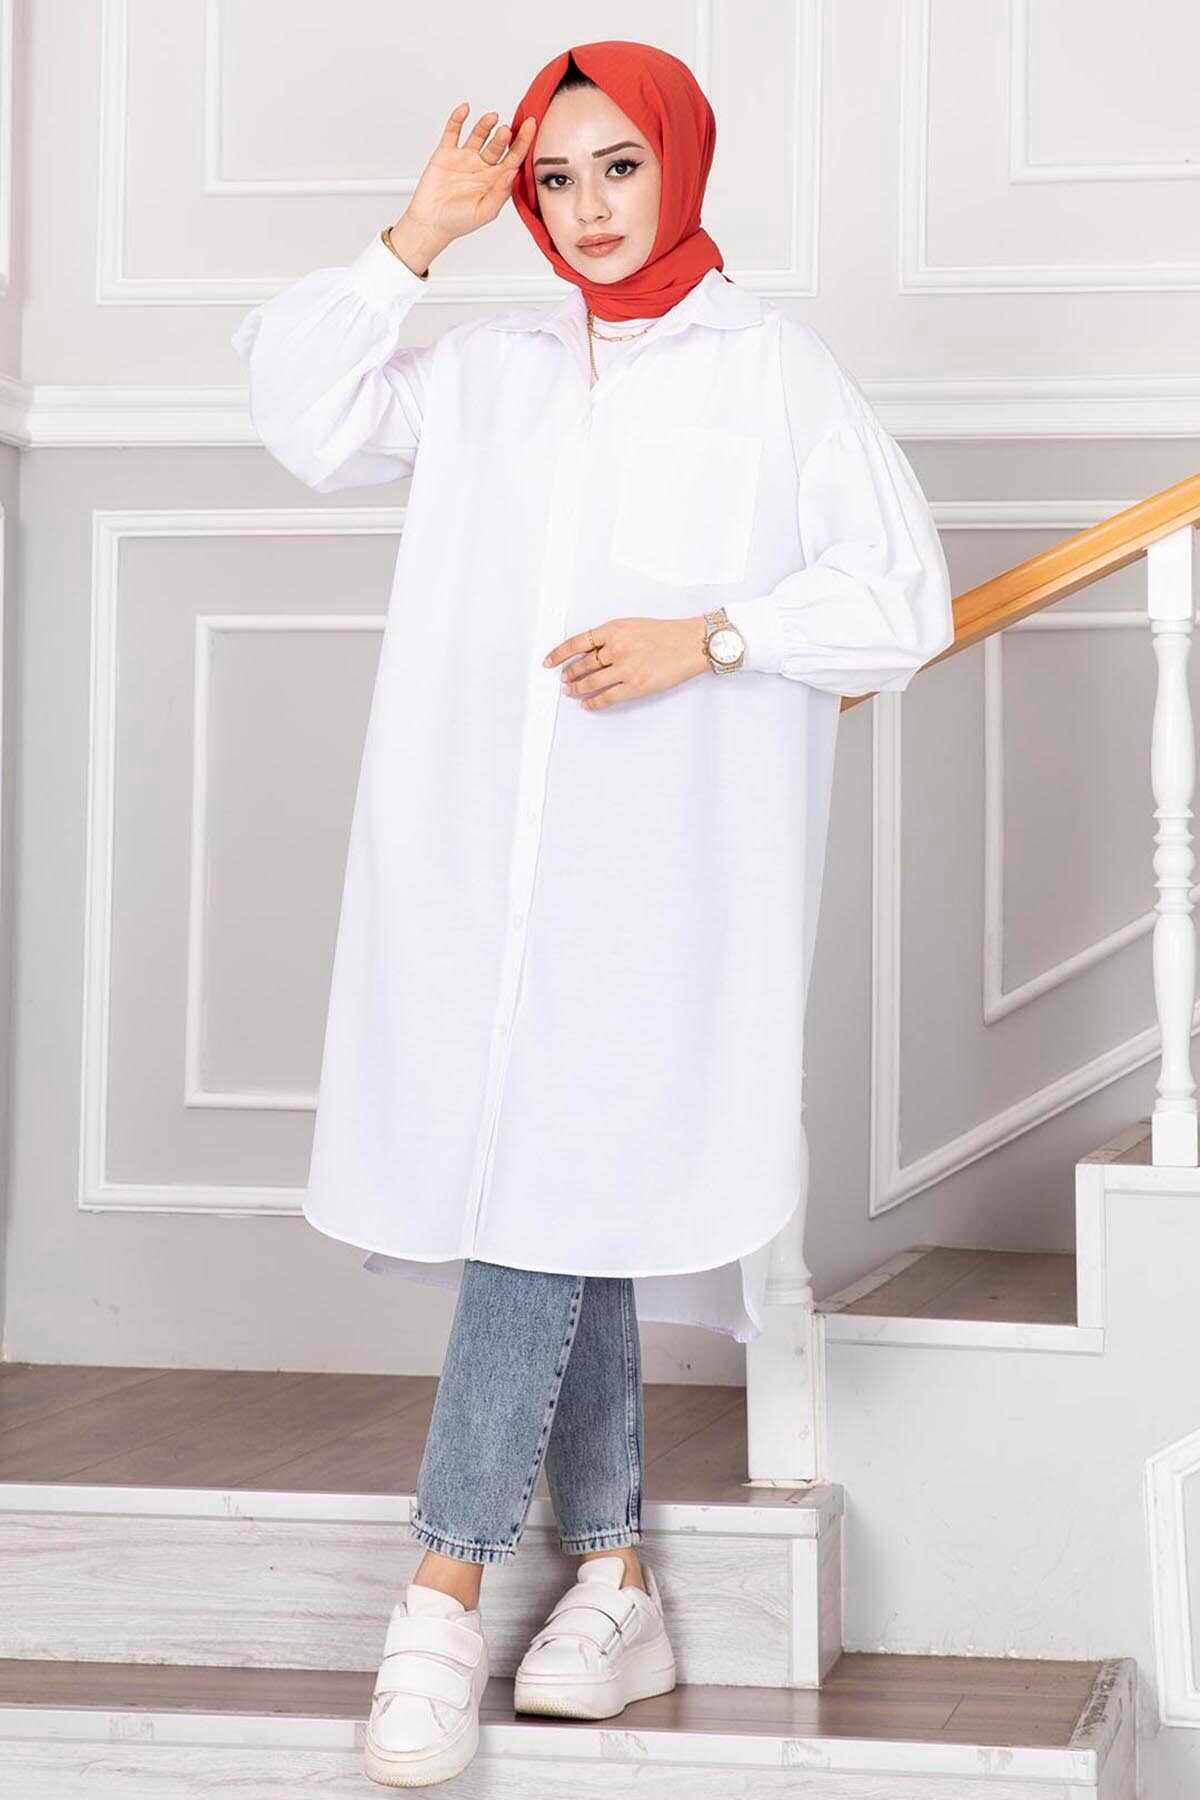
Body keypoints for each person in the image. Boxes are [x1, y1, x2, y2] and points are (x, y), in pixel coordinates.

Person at [231, 39, 954, 1790]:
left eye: (619, 166)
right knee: (559, 1192)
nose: (588, 207)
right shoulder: (491, 368)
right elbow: (305, 418)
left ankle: (442, 1591)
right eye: (556, 180)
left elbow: (901, 599)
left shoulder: (771, 372)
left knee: (554, 1195)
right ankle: (617, 1583)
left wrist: (709, 636)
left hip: (660, 883)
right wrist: (417, 234)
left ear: (681, 163)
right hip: (476, 871)